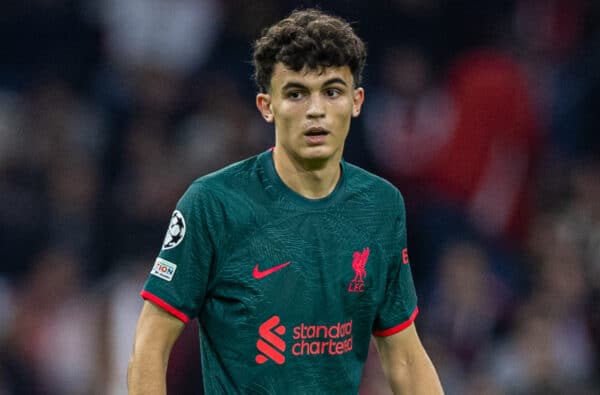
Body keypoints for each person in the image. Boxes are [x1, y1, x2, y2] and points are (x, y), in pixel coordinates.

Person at [128, 8, 443, 394]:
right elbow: (150, 344)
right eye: (296, 93)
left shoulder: (381, 205)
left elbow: (405, 356)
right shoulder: (213, 204)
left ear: (357, 101)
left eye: (332, 91)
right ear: (267, 106)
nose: (316, 110)